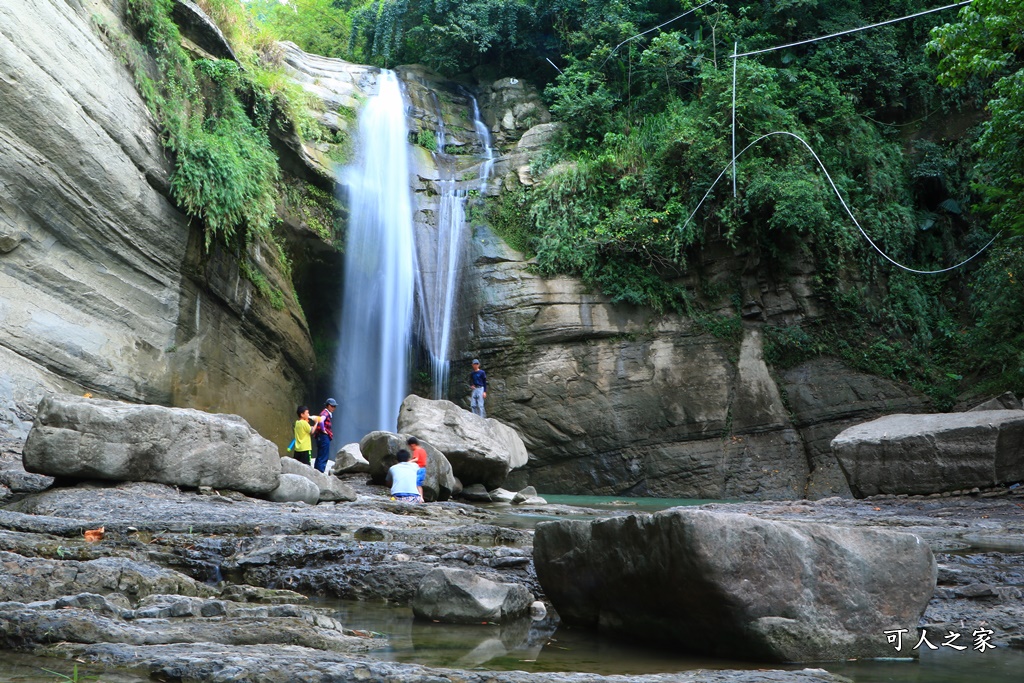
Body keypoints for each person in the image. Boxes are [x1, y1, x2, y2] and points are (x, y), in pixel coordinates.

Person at [312, 398, 337, 473]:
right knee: (323, 455)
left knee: (320, 455)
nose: (334, 408)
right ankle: (320, 472)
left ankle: (316, 471)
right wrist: (323, 430)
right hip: (323, 436)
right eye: (332, 406)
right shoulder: (325, 413)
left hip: (320, 436)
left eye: (334, 406)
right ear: (328, 406)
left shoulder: (325, 413)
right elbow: (321, 420)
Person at [407, 437, 428, 502]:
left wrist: (408, 462)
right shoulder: (423, 450)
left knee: (416, 484)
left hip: (419, 469)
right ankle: (420, 497)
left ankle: (420, 498)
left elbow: (416, 459)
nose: (410, 449)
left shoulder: (416, 451)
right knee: (418, 484)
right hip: (423, 469)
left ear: (412, 445)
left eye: (410, 447)